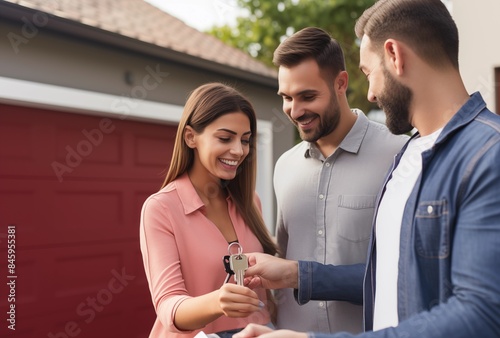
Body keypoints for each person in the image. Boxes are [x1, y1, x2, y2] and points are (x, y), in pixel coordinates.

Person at [234, 0, 500, 337]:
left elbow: (483, 316)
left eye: (368, 73)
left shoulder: (488, 154)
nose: (371, 94)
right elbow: (386, 278)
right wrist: (295, 275)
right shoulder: (410, 157)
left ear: (394, 55)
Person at [271, 27, 408, 333]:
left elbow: (408, 276)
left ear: (341, 83)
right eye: (286, 98)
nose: (295, 111)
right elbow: (280, 259)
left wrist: (299, 275)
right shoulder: (284, 166)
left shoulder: (399, 155)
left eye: (307, 96)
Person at [140, 82, 279, 338]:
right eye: (225, 138)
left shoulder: (250, 201)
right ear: (191, 137)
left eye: (245, 140)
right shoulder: (161, 208)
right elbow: (168, 306)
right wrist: (217, 302)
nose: (238, 151)